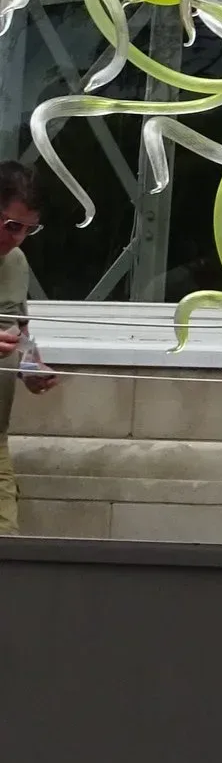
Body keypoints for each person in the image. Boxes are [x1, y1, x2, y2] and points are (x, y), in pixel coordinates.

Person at [0, 162, 55, 536]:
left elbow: (20, 330)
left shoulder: (16, 262)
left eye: (29, 229)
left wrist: (31, 366)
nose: (18, 238)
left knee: (10, 551)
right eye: (11, 226)